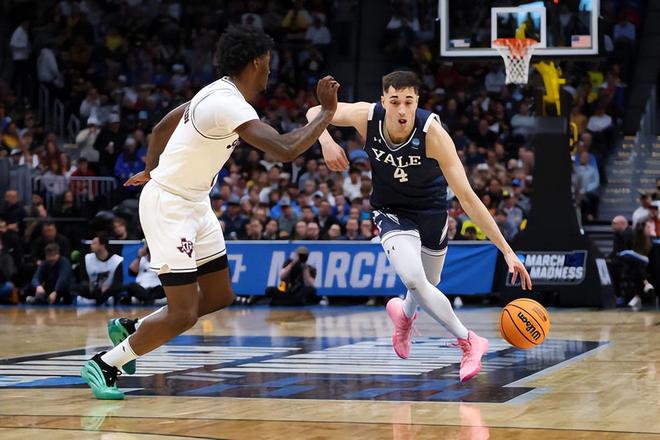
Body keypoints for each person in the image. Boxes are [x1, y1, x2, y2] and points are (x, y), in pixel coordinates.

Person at [80, 25, 339, 400]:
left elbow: (160, 128)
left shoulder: (216, 91)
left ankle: (132, 328)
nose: (271, 70)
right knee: (183, 313)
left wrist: (152, 168)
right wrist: (327, 112)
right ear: (256, 62)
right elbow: (284, 149)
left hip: (196, 204)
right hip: (170, 206)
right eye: (268, 62)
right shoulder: (226, 103)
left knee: (219, 296)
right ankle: (106, 363)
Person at [308, 70, 531, 383]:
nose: (402, 109)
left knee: (429, 282)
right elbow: (315, 111)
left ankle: (404, 315)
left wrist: (506, 250)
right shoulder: (366, 117)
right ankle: (469, 340)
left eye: (408, 102)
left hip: (431, 210)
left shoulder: (433, 133)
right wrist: (326, 141)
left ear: (417, 102)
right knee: (414, 279)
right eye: (394, 101)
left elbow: (468, 198)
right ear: (383, 100)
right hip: (390, 211)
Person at [77, 235, 124, 306]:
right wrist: (90, 287)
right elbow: (83, 279)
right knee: (78, 287)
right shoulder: (87, 258)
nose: (91, 245)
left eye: (94, 243)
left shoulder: (117, 260)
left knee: (118, 289)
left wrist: (107, 288)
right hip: (92, 291)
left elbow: (118, 282)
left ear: (102, 245)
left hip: (108, 293)